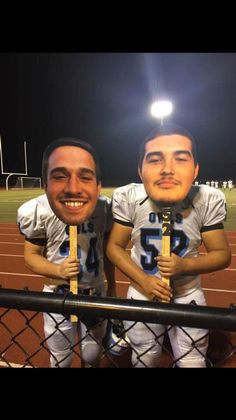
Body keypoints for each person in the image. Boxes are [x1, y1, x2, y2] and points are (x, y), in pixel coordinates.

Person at [107, 123, 231, 368]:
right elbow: (114, 247)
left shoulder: (205, 199)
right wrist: (143, 280)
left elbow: (222, 254)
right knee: (145, 357)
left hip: (187, 294)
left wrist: (185, 265)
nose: (167, 169)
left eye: (180, 159)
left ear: (196, 170)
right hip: (142, 293)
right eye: (154, 160)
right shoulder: (130, 198)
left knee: (192, 361)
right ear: (140, 170)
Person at [17, 137, 115, 367]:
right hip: (57, 293)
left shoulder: (103, 208)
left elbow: (107, 253)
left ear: (98, 185)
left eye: (85, 177)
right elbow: (30, 256)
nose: (73, 187)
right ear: (46, 184)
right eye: (60, 176)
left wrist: (112, 286)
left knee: (92, 356)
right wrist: (57, 269)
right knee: (61, 358)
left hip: (95, 292)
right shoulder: (41, 209)